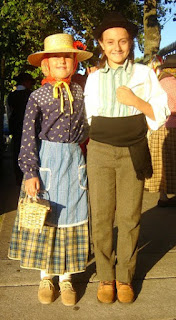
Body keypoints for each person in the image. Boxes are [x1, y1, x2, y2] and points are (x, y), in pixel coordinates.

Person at [84, 12, 170, 304]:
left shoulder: (143, 74)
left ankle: (125, 277)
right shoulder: (93, 79)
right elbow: (88, 116)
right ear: (101, 44)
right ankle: (106, 276)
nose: (117, 47)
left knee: (130, 216)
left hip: (133, 148)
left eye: (122, 41)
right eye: (110, 42)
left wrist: (136, 101)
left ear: (131, 43)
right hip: (100, 150)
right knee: (102, 216)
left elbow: (161, 111)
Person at [8, 33, 93, 306]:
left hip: (73, 160)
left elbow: (89, 126)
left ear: (75, 63)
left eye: (67, 57)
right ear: (45, 64)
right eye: (56, 57)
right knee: (45, 218)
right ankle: (46, 276)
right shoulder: (37, 96)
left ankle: (67, 278)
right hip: (45, 160)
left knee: (71, 215)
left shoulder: (81, 91)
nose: (62, 61)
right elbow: (27, 134)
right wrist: (30, 171)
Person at [145, 54, 176, 207]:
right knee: (171, 163)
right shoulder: (171, 82)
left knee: (162, 165)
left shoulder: (159, 82)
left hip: (160, 127)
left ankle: (163, 196)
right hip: (171, 127)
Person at [7, 72, 35, 185]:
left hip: (16, 127)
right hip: (29, 128)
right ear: (26, 82)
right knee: (29, 151)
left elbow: (9, 113)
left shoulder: (11, 96)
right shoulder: (31, 95)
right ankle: (27, 175)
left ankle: (18, 177)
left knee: (16, 152)